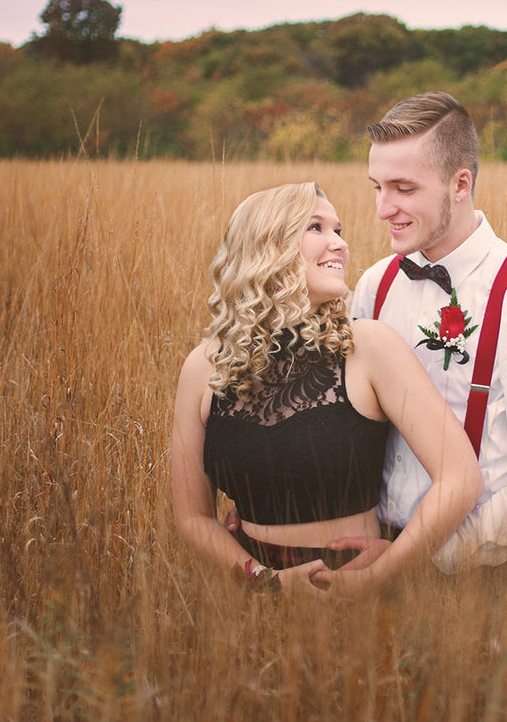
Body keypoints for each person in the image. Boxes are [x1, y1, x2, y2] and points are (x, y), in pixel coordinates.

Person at [169, 182, 482, 599]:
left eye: (339, 230)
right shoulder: (204, 366)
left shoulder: (369, 347)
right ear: (268, 245)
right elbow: (193, 518)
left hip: (356, 590)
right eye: (317, 228)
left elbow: (460, 479)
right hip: (254, 594)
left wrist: (379, 576)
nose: (340, 244)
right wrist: (265, 582)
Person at [331, 91, 507, 575]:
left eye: (403, 188)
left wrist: (422, 564)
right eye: (376, 187)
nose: (383, 209)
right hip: (364, 554)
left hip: (473, 575)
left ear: (460, 183)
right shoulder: (374, 286)